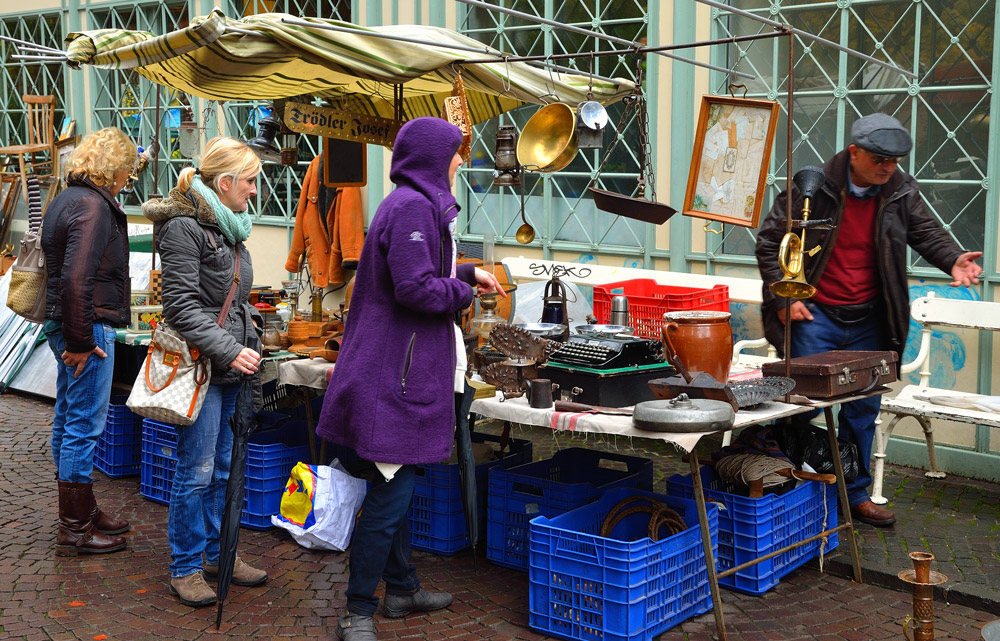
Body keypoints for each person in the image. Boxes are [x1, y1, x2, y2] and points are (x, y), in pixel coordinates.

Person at [314, 116, 505, 641]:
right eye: (456, 152)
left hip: (396, 371)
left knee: (395, 483)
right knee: (390, 494)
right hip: (392, 379)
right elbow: (415, 289)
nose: (461, 161)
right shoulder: (414, 208)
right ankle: (357, 611)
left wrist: (465, 271)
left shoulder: (409, 205)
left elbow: (422, 268)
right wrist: (464, 294)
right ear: (431, 158)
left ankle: (401, 589)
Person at [756, 113, 983, 527]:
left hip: (870, 321)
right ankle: (782, 490)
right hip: (815, 314)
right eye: (879, 158)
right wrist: (781, 298)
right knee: (800, 406)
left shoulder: (899, 190)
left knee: (862, 411)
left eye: (894, 161)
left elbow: (926, 232)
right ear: (854, 152)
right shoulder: (813, 186)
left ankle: (852, 494)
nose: (887, 168)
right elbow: (771, 242)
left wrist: (952, 258)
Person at [142, 136, 268, 607]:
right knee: (195, 471)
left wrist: (249, 332)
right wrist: (231, 349)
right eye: (251, 181)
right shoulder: (183, 227)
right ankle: (186, 567)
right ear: (225, 181)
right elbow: (181, 307)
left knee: (222, 471)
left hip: (231, 365)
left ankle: (222, 554)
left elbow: (230, 300)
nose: (256, 190)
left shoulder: (232, 227)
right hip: (202, 367)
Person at [42, 127, 137, 556]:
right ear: (114, 169)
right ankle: (75, 527)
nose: (127, 180)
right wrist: (82, 340)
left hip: (65, 323)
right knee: (82, 425)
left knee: (68, 418)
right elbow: (78, 277)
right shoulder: (94, 205)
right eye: (127, 172)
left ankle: (82, 510)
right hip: (87, 327)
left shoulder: (66, 198)